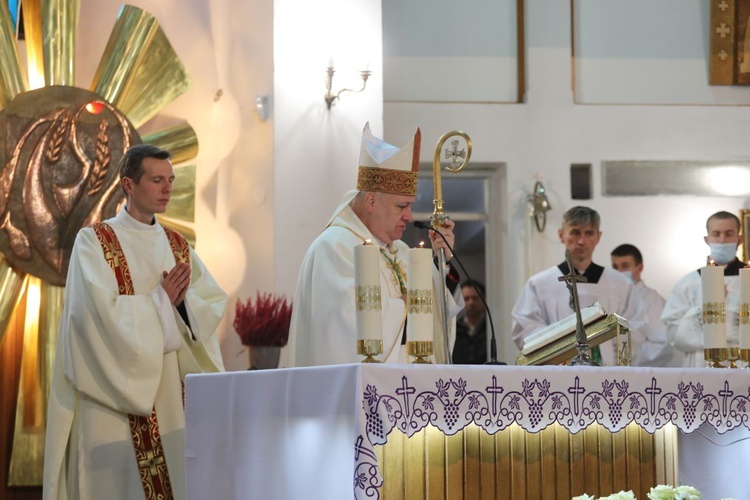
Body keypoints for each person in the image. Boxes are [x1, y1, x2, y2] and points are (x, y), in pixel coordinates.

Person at [43, 144, 227, 500]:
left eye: (170, 180)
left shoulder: (177, 244)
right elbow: (92, 317)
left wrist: (182, 304)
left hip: (168, 401)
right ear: (128, 185)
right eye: (157, 180)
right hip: (110, 400)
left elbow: (210, 304)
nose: (167, 188)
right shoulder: (94, 242)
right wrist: (161, 302)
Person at [285, 123, 463, 366]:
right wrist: (408, 304)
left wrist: (441, 262)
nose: (409, 217)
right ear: (370, 201)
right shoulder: (334, 247)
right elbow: (343, 328)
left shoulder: (401, 252)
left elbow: (436, 323)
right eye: (402, 206)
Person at [511, 206, 648, 366]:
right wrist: (561, 350)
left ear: (598, 237)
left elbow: (635, 327)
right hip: (556, 374)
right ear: (561, 235)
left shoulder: (620, 284)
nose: (581, 241)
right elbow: (525, 328)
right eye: (575, 232)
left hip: (607, 376)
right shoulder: (540, 284)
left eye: (589, 233)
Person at [662, 210, 744, 367]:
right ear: (707, 239)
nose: (722, 240)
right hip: (701, 363)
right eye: (716, 234)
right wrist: (708, 308)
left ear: (739, 239)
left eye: (728, 234)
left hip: (742, 363)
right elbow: (673, 334)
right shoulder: (688, 283)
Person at [611, 243, 674, 366]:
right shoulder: (608, 298)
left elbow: (662, 343)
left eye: (625, 266)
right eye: (615, 267)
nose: (618, 272)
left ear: (639, 268)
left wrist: (626, 358)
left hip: (640, 373)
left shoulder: (653, 301)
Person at [452, 280, 488, 364]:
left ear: (483, 300)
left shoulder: (491, 329)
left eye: (475, 298)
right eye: (466, 299)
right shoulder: (454, 330)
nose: (471, 302)